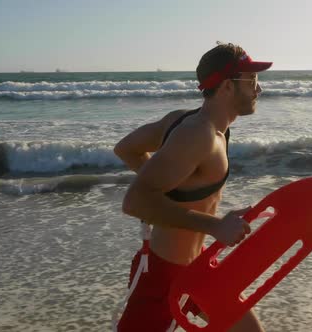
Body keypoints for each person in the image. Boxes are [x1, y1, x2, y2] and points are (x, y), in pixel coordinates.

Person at [113, 42, 272, 331]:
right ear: (226, 86)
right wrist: (214, 226)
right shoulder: (197, 134)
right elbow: (134, 201)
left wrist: (169, 190)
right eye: (252, 81)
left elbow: (126, 148)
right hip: (164, 275)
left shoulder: (185, 121)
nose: (259, 89)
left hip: (197, 267)